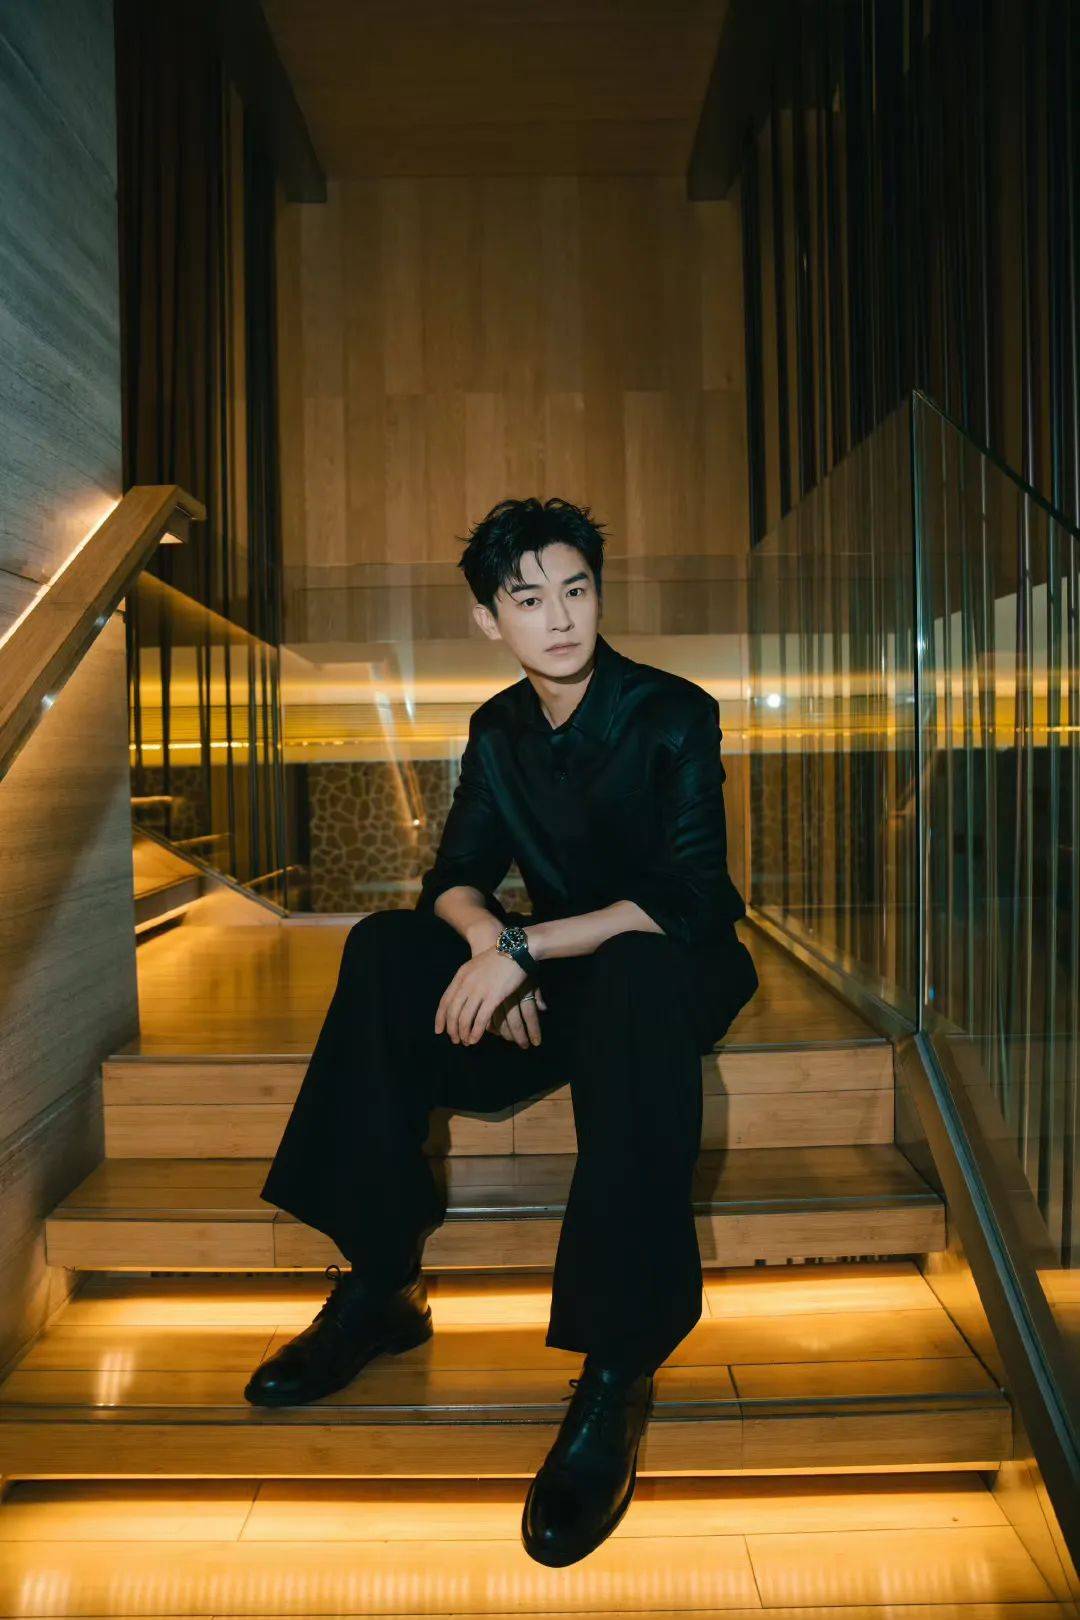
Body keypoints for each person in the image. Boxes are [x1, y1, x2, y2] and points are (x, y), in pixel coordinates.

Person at [244, 496, 759, 1566]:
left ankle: (616, 1371)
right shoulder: (496, 730)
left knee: (634, 981)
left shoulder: (674, 713)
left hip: (665, 962)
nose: (559, 618)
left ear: (599, 596)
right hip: (562, 962)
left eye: (576, 590)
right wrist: (491, 941)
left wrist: (526, 949)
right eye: (528, 599)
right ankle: (383, 1284)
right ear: (490, 619)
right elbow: (455, 874)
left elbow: (693, 895)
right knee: (386, 947)